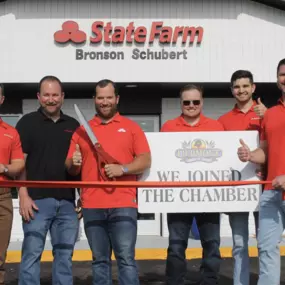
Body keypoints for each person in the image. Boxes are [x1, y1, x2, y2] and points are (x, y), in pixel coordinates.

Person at [65, 79, 151, 285]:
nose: (104, 102)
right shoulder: (81, 131)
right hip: (92, 205)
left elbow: (145, 160)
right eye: (100, 98)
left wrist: (123, 169)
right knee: (99, 261)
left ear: (117, 99)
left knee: (126, 259)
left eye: (109, 97)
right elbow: (70, 167)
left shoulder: (131, 128)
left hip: (123, 204)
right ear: (95, 99)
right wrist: (74, 163)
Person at [16, 76, 80, 285]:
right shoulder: (27, 123)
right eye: (46, 95)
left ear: (62, 96)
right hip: (36, 202)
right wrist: (23, 195)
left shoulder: (74, 125)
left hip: (67, 203)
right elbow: (20, 163)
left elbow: (79, 166)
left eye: (55, 95)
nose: (51, 99)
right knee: (31, 255)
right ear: (39, 96)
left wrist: (82, 197)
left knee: (64, 257)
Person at [161, 84, 224, 285]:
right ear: (180, 103)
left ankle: (210, 281)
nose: (191, 105)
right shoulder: (168, 127)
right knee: (176, 246)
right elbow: (161, 159)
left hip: (209, 197)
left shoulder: (216, 127)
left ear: (202, 102)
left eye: (195, 101)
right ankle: (175, 281)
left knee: (212, 245)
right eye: (186, 102)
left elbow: (225, 160)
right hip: (178, 197)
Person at [237, 58, 285, 285]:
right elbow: (267, 151)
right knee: (266, 249)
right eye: (282, 74)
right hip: (271, 192)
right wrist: (250, 156)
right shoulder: (271, 114)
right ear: (277, 79)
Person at [218, 70, 267, 285]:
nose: (241, 90)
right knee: (239, 243)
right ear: (232, 91)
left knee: (265, 243)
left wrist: (267, 115)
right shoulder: (223, 121)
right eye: (237, 87)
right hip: (236, 189)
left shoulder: (267, 113)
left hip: (264, 187)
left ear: (253, 87)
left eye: (245, 86)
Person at [0, 84, 25, 285]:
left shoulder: (11, 132)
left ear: (1, 100)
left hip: (3, 196)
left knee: (0, 254)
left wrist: (4, 168)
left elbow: (18, 165)